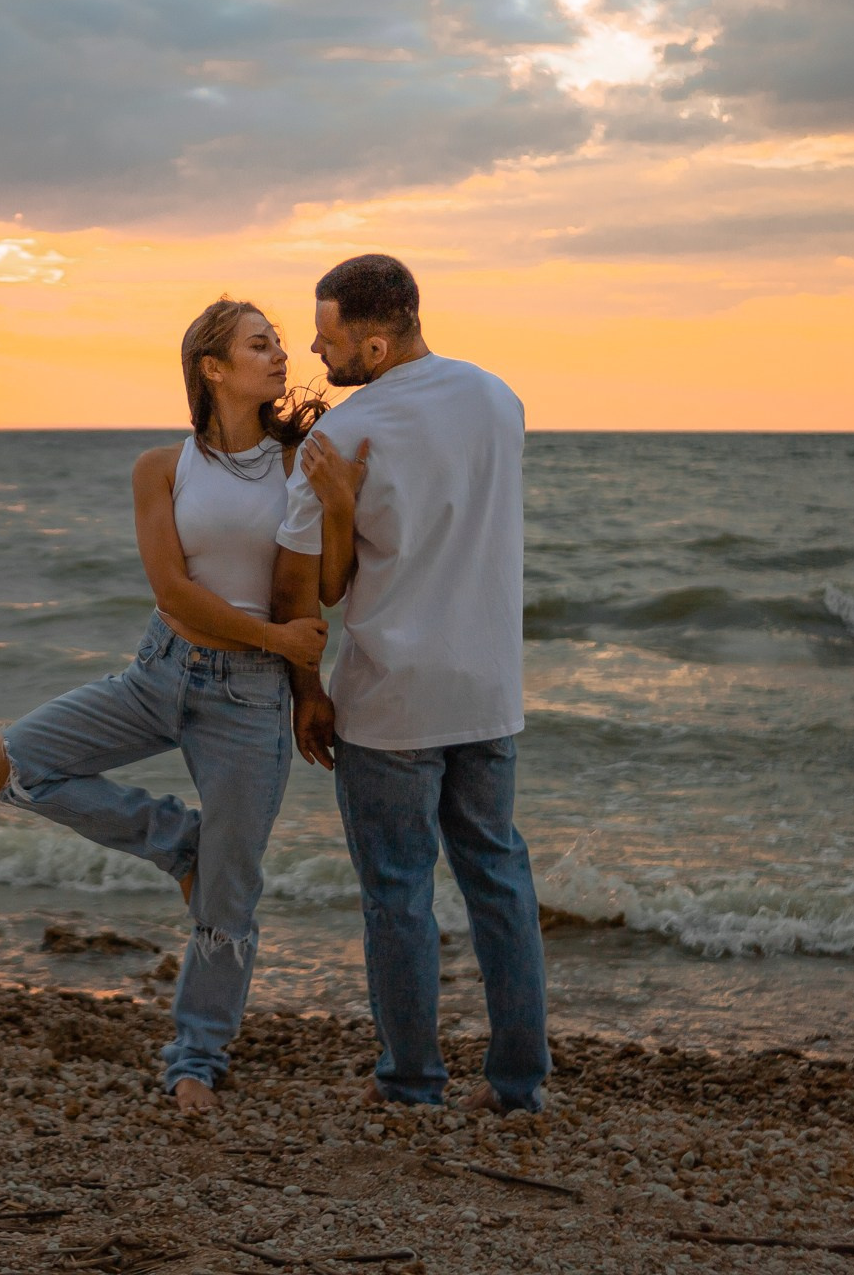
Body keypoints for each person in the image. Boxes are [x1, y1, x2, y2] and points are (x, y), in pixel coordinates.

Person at [0, 298, 335, 1112]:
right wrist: (278, 640)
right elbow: (171, 589)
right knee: (9, 765)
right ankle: (177, 842)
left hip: (251, 698)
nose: (280, 356)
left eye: (279, 344)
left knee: (228, 900)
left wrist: (305, 688)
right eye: (259, 345)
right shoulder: (160, 468)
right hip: (159, 671)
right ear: (213, 368)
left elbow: (307, 588)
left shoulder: (299, 462)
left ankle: (196, 1057)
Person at [271, 253, 549, 1114]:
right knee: (498, 879)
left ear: (376, 345)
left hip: (391, 698)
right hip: (488, 689)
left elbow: (313, 590)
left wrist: (307, 692)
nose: (317, 354)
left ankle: (412, 1083)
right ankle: (519, 1085)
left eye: (328, 339)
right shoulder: (499, 399)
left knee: (397, 894)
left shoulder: (339, 438)